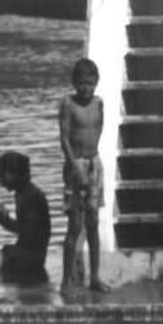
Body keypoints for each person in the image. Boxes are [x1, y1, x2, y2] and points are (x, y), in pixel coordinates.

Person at [58, 58, 109, 293]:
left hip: (94, 163)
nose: (86, 88)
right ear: (74, 83)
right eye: (81, 84)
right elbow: (65, 139)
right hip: (75, 164)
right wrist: (77, 169)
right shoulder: (68, 104)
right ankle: (66, 280)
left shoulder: (99, 103)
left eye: (90, 83)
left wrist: (92, 167)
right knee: (74, 226)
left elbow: (98, 130)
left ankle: (95, 278)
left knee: (93, 223)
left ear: (96, 83)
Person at [0, 151, 52, 285]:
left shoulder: (30, 196)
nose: (0, 181)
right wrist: (3, 219)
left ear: (14, 174)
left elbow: (28, 231)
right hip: (27, 254)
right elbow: (26, 230)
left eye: (2, 175)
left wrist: (2, 219)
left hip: (29, 257)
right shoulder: (23, 194)